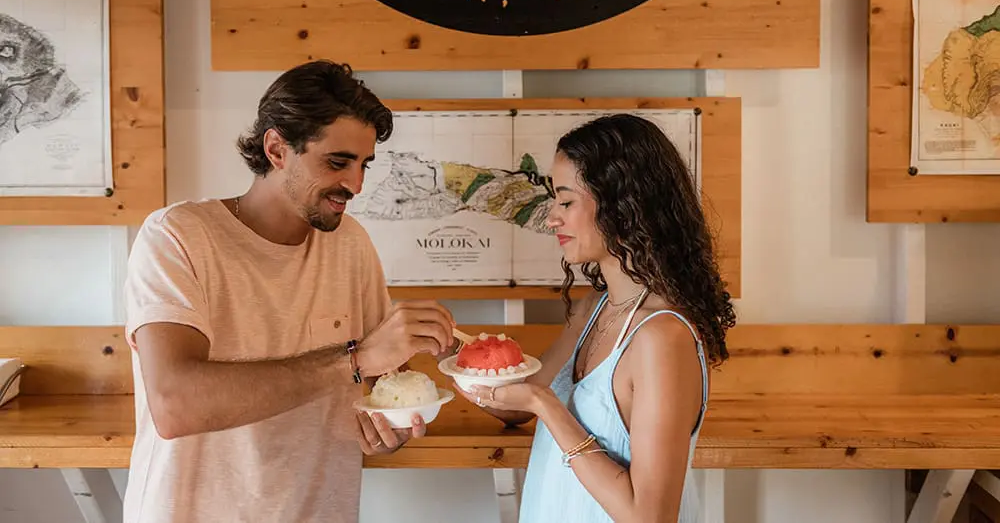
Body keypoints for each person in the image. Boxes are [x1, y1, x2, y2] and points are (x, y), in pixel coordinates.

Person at [121, 60, 458, 523]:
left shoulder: (350, 244)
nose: (356, 184)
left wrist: (390, 422)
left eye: (364, 165)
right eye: (337, 162)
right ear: (277, 149)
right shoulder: (176, 236)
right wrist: (353, 360)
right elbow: (175, 404)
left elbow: (374, 390)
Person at [456, 113, 736, 523]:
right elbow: (521, 403)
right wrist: (463, 359)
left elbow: (649, 516)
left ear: (624, 205)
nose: (552, 217)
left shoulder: (662, 337)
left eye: (566, 201)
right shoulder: (595, 308)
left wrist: (547, 407)